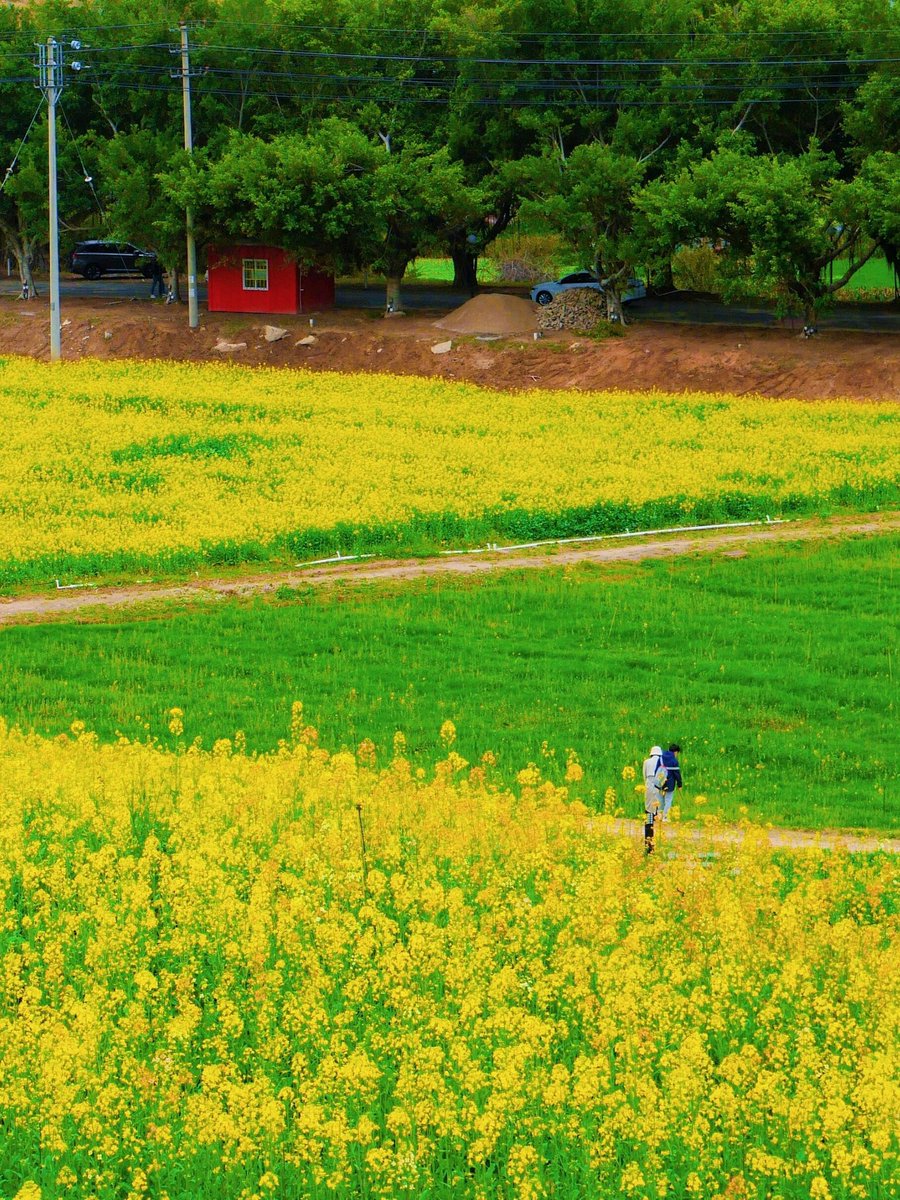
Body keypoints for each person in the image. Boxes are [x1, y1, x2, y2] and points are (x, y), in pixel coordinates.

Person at [642, 744, 666, 852]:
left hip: (648, 785)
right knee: (658, 809)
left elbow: (644, 775)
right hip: (658, 786)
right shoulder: (662, 762)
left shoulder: (646, 762)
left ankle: (648, 840)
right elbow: (663, 776)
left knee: (649, 812)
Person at [660, 743, 683, 821]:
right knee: (668, 799)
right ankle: (665, 817)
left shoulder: (661, 757)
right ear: (675, 752)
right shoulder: (674, 760)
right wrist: (680, 785)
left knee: (660, 799)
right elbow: (677, 774)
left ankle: (659, 816)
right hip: (670, 783)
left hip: (660, 782)